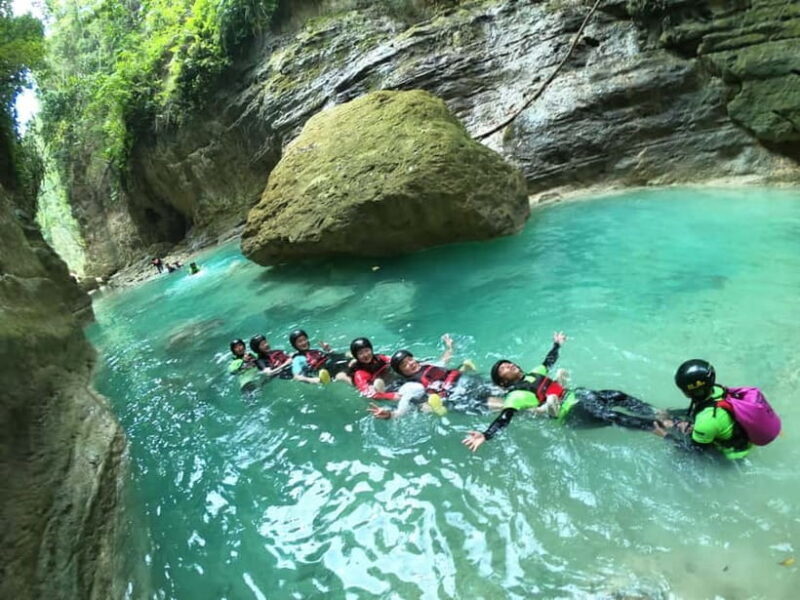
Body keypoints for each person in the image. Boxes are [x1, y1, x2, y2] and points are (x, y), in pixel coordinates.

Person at [463, 332, 660, 452]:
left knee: (617, 395)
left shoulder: (534, 374)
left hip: (579, 397)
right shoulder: (515, 396)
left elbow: (548, 361)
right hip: (571, 415)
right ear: (503, 381)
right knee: (611, 415)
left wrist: (557, 344)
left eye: (508, 363)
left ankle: (659, 414)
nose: (508, 365)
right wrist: (486, 435)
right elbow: (504, 417)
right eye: (503, 368)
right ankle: (656, 428)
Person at [368, 334, 502, 419]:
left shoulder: (427, 365)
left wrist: (450, 347)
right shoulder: (411, 386)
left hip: (468, 382)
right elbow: (403, 407)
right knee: (508, 406)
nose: (410, 363)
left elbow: (443, 361)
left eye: (410, 359)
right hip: (458, 397)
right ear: (401, 372)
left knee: (507, 388)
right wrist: (390, 415)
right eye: (404, 365)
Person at [653, 359, 754, 459]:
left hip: (732, 454)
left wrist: (665, 435)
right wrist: (670, 413)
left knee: (671, 427)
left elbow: (695, 451)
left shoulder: (706, 421)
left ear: (688, 392)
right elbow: (702, 409)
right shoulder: (718, 390)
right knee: (674, 424)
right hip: (736, 436)